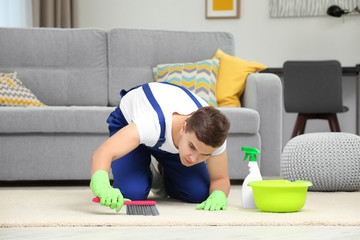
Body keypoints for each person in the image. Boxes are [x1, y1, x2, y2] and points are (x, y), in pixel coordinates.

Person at [90, 82, 231, 212]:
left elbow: (220, 179)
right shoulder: (151, 123)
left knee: (199, 193)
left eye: (204, 155)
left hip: (167, 139)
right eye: (192, 147)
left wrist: (219, 195)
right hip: (131, 123)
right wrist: (101, 185)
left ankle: (162, 171)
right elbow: (103, 153)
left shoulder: (214, 136)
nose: (194, 158)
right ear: (184, 127)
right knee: (131, 194)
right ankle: (144, 163)